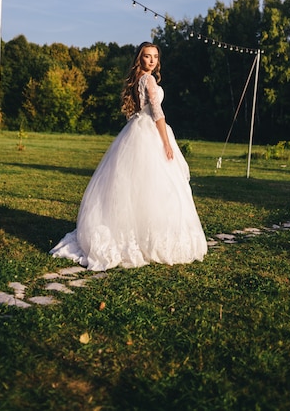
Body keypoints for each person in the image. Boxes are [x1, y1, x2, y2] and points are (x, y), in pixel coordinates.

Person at [50, 42, 207, 271]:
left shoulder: (136, 80)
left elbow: (135, 112)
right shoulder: (149, 80)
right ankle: (148, 238)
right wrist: (166, 143)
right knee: (156, 188)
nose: (151, 60)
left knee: (136, 188)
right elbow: (157, 113)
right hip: (151, 133)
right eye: (147, 56)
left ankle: (136, 233)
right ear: (139, 59)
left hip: (135, 131)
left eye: (155, 56)